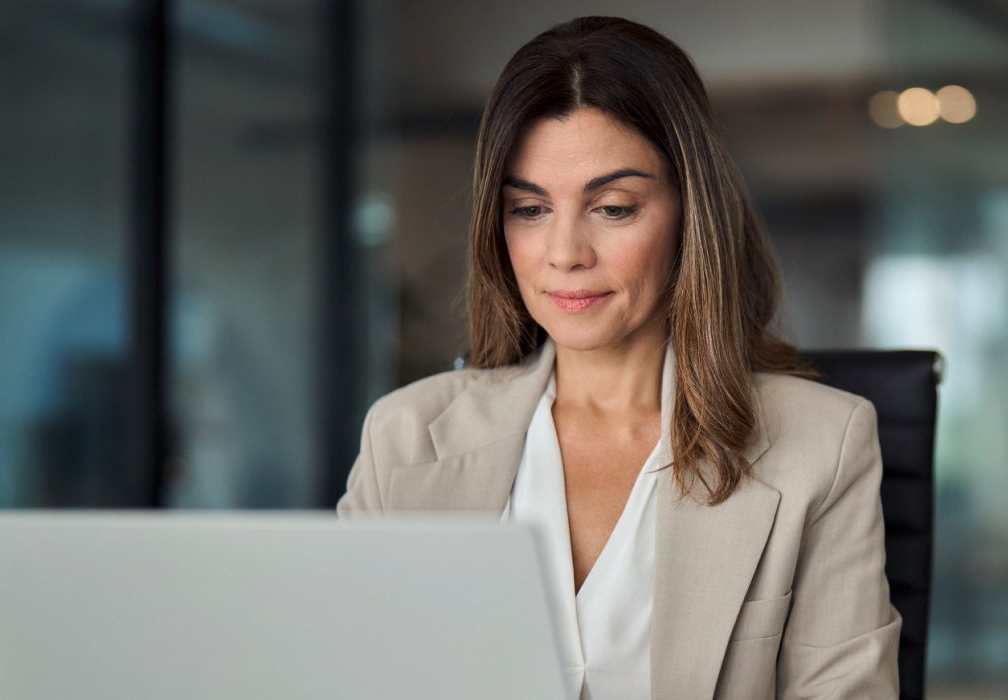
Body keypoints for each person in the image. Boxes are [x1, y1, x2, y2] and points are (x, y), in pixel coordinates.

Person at [337, 16, 899, 699]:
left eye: (612, 208)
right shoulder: (404, 439)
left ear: (690, 213)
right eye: (531, 209)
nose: (565, 252)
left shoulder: (822, 445)